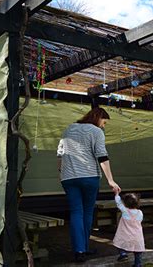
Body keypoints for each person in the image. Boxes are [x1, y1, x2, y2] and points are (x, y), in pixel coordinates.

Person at [57, 107, 121, 263]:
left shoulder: (68, 129)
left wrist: (62, 172)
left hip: (68, 178)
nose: (103, 126)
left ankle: (80, 250)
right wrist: (111, 180)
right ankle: (83, 248)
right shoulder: (96, 131)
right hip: (89, 177)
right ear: (98, 117)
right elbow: (102, 156)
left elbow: (60, 154)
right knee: (87, 213)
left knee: (76, 213)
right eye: (104, 122)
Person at [113, 192, 145, 267]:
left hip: (125, 234)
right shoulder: (140, 213)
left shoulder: (125, 211)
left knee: (119, 243)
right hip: (137, 236)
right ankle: (138, 264)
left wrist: (117, 194)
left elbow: (118, 203)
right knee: (138, 251)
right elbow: (140, 220)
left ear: (125, 203)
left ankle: (123, 254)